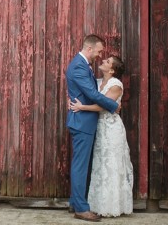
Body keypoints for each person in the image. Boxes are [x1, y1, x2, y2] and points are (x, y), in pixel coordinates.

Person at [70, 55, 133, 217]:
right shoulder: (97, 82)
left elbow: (104, 106)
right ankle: (96, 203)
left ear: (112, 70)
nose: (103, 61)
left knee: (111, 164)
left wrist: (82, 107)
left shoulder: (116, 84)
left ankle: (112, 205)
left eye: (107, 62)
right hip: (99, 128)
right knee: (100, 165)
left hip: (111, 128)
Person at [66, 34, 120, 222]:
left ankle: (75, 202)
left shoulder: (82, 65)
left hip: (84, 120)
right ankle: (81, 208)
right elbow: (90, 93)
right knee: (80, 166)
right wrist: (114, 106)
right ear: (89, 49)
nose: (99, 55)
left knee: (81, 165)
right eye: (98, 51)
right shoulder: (79, 66)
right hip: (82, 122)